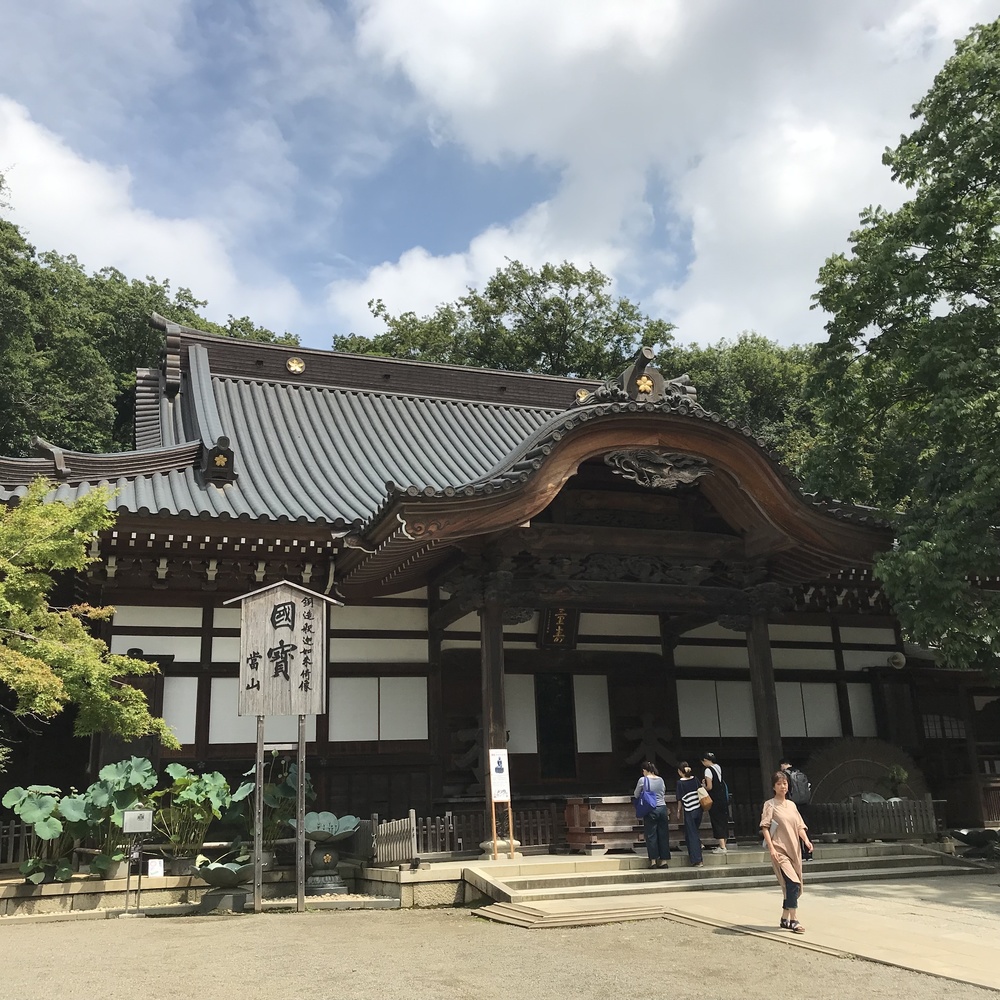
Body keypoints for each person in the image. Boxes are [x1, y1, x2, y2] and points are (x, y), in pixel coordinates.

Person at [760, 769, 814, 934]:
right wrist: (771, 848)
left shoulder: (791, 805)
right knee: (792, 883)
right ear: (773, 787)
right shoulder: (770, 805)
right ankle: (794, 919)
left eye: (784, 783)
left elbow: (799, 826)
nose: (782, 786)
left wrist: (806, 840)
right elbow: (765, 827)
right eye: (779, 784)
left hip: (794, 849)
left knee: (793, 886)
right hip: (780, 849)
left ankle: (784, 918)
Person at [633, 761, 671, 867]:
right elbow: (663, 792)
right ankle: (664, 861)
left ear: (645, 770)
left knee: (651, 835)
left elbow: (636, 794)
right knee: (663, 835)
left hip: (650, 809)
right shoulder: (661, 779)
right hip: (662, 808)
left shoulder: (643, 780)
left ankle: (653, 860)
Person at [779, 758, 812, 860]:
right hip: (804, 804)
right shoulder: (800, 774)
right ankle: (809, 853)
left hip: (792, 804)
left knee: (794, 829)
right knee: (804, 827)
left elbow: (785, 791)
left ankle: (799, 853)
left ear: (783, 765)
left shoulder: (785, 775)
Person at [674, 761, 704, 867]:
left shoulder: (680, 783)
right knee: (693, 832)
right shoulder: (695, 779)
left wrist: (678, 811)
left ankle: (698, 859)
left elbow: (679, 799)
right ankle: (698, 847)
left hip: (689, 810)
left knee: (692, 835)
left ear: (679, 771)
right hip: (699, 809)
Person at [700, 752, 728, 852]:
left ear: (706, 760)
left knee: (717, 820)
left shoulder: (708, 770)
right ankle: (724, 844)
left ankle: (722, 847)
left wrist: (703, 786)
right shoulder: (718, 767)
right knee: (723, 820)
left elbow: (709, 787)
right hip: (722, 797)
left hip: (715, 798)